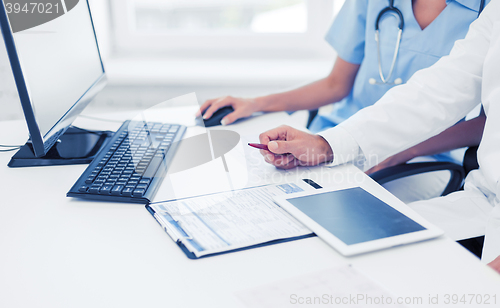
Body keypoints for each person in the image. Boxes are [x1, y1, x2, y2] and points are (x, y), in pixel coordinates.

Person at [256, 0, 500, 273]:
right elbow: (434, 93)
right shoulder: (496, 14)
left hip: (451, 183)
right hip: (480, 202)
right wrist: (325, 144)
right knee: (321, 247)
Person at [198, 0, 489, 172]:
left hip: (423, 156)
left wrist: (403, 150)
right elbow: (336, 84)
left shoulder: (488, 14)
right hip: (337, 133)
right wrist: (256, 103)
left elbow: (488, 120)